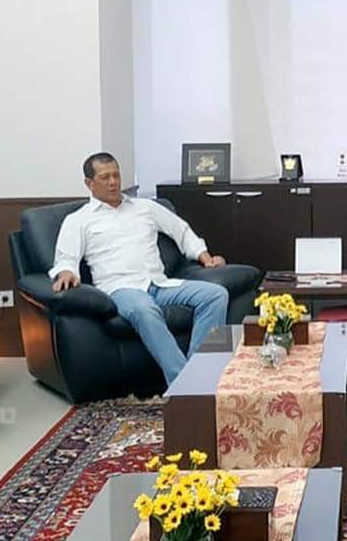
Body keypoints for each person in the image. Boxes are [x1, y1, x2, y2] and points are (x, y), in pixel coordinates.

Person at [49, 152, 230, 384]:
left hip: (159, 283)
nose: (113, 182)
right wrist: (66, 272)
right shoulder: (78, 220)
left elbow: (181, 230)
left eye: (116, 175)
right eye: (105, 177)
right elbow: (66, 258)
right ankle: (186, 386)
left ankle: (201, 373)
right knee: (145, 309)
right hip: (120, 289)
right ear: (89, 183)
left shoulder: (145, 207)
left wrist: (205, 257)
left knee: (216, 294)